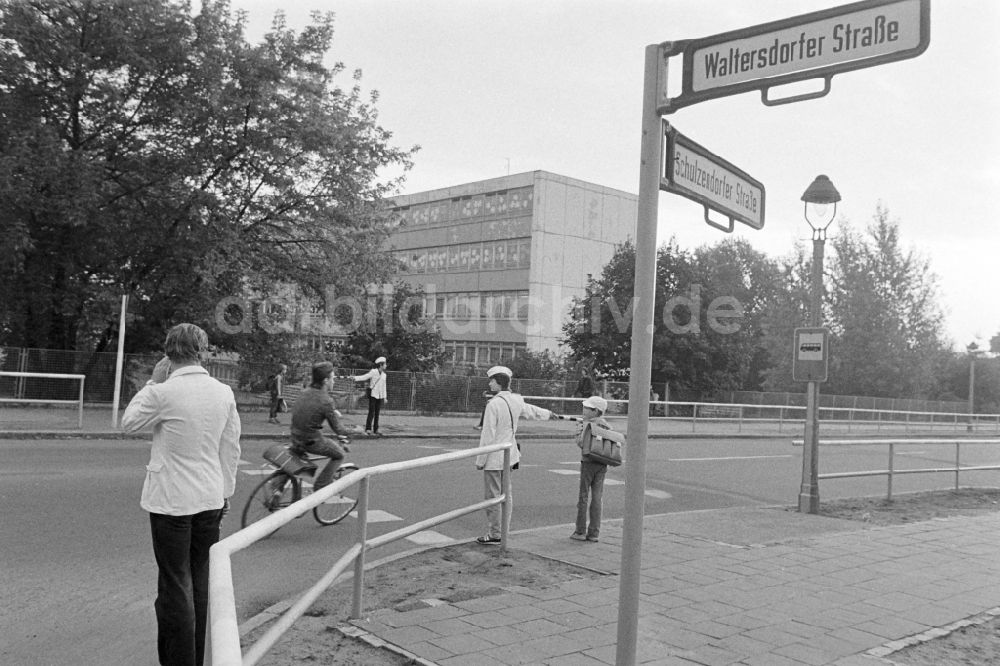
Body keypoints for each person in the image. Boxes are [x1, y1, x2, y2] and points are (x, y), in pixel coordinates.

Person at [121, 323, 241, 666]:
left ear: (167, 354)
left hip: (171, 501)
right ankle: (198, 657)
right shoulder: (223, 392)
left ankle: (178, 661)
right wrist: (225, 492)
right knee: (200, 579)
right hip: (208, 498)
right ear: (202, 352)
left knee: (175, 584)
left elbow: (129, 422)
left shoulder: (163, 392)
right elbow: (230, 448)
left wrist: (153, 382)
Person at [475, 365, 557, 545]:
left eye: (492, 380)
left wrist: (480, 460)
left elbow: (488, 434)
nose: (490, 383)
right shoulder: (516, 400)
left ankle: (495, 533)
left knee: (493, 496)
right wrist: (549, 414)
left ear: (498, 383)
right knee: (507, 493)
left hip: (493, 457)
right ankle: (504, 531)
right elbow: (531, 410)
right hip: (510, 454)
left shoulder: (493, 404)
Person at [290, 361, 351, 492]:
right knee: (339, 454)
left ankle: (277, 490)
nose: (334, 382)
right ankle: (320, 487)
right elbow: (339, 429)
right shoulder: (326, 400)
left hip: (295, 436)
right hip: (311, 441)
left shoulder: (305, 392)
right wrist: (357, 431)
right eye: (332, 378)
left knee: (292, 462)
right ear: (325, 381)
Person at [570, 395, 614, 543]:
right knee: (597, 497)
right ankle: (594, 532)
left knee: (583, 496)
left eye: (587, 408)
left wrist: (578, 433)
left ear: (595, 411)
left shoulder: (586, 425)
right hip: (602, 464)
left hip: (588, 462)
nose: (584, 410)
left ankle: (580, 531)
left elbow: (582, 443)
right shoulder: (607, 426)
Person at [353, 356, 387, 436]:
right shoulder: (373, 372)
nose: (386, 365)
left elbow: (384, 386)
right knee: (371, 412)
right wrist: (354, 378)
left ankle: (376, 429)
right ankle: (368, 428)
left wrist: (385, 397)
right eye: (385, 364)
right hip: (373, 395)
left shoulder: (384, 375)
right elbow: (365, 377)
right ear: (381, 365)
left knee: (377, 413)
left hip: (380, 396)